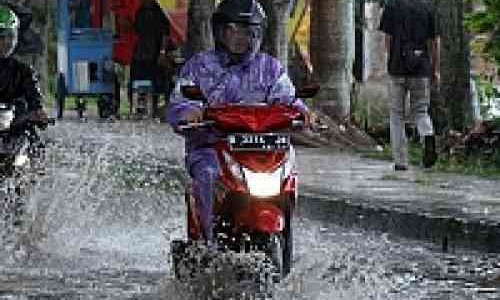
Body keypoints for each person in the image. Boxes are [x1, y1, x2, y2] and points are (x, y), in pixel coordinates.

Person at [168, 0, 313, 244]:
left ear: (257, 34)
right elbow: (181, 101)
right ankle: (208, 242)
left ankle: (286, 239)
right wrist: (190, 112)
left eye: (246, 31)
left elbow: (287, 99)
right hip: (211, 147)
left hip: (262, 148)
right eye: (231, 30)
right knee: (207, 173)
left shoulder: (270, 68)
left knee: (289, 173)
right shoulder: (200, 66)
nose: (238, 37)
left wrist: (303, 112)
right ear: (220, 32)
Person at [379, 0, 439, 170]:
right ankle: (427, 134)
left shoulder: (392, 6)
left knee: (397, 114)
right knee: (421, 110)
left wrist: (391, 61)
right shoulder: (427, 7)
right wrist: (435, 69)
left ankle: (401, 161)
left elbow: (388, 39)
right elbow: (434, 43)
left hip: (397, 69)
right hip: (421, 69)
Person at [0, 5, 47, 124]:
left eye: (10, 36)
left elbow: (34, 95)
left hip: (13, 127)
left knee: (33, 136)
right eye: (1, 37)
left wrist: (38, 110)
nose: (7, 42)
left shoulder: (23, 71)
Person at [130, 0, 172, 118]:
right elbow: (137, 31)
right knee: (138, 79)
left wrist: (162, 52)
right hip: (141, 52)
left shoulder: (160, 13)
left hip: (155, 52)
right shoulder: (140, 12)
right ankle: (140, 107)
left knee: (157, 80)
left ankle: (154, 107)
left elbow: (165, 34)